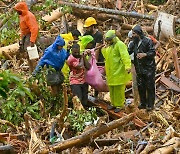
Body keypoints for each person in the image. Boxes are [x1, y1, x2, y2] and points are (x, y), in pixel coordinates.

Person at [102, 30, 131, 113]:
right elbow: (106, 57)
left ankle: (120, 105)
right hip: (111, 71)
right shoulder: (110, 46)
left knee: (119, 89)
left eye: (109, 40)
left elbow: (125, 56)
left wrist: (127, 66)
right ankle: (113, 103)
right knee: (112, 89)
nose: (109, 42)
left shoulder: (120, 45)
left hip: (118, 71)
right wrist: (104, 49)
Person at [128, 25, 156, 111]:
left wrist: (145, 54)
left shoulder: (147, 41)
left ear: (138, 33)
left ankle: (150, 104)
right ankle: (143, 103)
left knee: (150, 87)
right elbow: (128, 52)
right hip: (139, 68)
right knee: (141, 86)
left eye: (134, 33)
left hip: (148, 68)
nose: (132, 35)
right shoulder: (133, 43)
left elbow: (153, 52)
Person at [14, 1, 39, 73]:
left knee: (31, 55)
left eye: (18, 10)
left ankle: (35, 71)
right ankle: (32, 70)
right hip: (25, 35)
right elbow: (22, 28)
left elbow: (34, 28)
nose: (17, 12)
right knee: (27, 54)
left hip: (30, 34)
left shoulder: (29, 16)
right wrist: (21, 38)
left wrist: (32, 40)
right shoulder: (21, 16)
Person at [83, 17, 104, 98]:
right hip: (87, 57)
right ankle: (86, 93)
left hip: (97, 58)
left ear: (93, 26)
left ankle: (96, 95)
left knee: (96, 76)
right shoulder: (86, 35)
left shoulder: (98, 35)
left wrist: (94, 61)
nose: (87, 29)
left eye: (88, 27)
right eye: (86, 27)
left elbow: (97, 49)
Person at [67, 43, 91, 108]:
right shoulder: (70, 59)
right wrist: (82, 56)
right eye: (75, 52)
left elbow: (88, 67)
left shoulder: (80, 57)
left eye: (78, 52)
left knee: (84, 99)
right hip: (75, 81)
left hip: (84, 80)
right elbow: (80, 66)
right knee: (78, 99)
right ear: (71, 51)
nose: (77, 54)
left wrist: (84, 57)